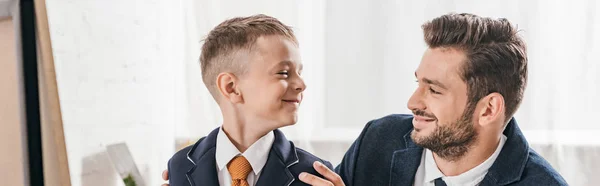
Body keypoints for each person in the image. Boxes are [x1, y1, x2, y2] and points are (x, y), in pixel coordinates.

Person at [298, 13, 567, 186]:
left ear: (488, 109)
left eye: (435, 90)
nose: (413, 102)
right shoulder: (378, 141)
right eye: (418, 83)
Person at [166, 14, 332, 186]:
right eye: (283, 73)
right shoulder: (180, 166)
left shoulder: (316, 175)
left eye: (299, 73)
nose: (301, 84)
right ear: (231, 87)